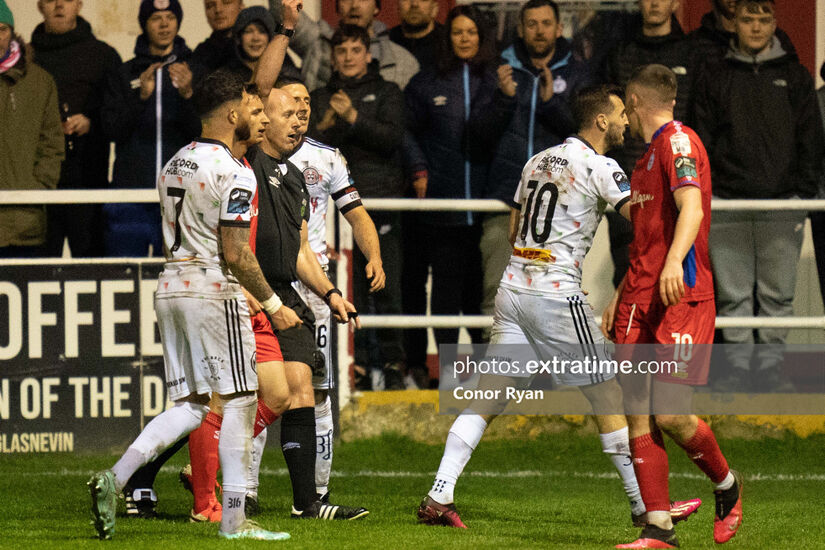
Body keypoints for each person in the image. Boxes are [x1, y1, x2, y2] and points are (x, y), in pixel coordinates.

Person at [418, 85, 699, 531]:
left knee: (489, 395)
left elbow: (514, 228)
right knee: (610, 394)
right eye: (621, 114)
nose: (627, 120)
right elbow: (641, 220)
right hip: (554, 294)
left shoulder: (535, 160)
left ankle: (439, 495)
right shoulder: (601, 166)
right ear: (601, 121)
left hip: (513, 289)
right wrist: (678, 208)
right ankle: (645, 507)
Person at [87, 69, 294, 542]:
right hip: (211, 288)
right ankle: (235, 522)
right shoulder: (235, 170)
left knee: (193, 404)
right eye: (253, 108)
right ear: (231, 113)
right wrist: (272, 303)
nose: (258, 117)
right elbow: (238, 251)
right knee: (241, 401)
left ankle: (115, 479)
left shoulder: (175, 161)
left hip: (170, 286)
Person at [601, 64, 742, 549]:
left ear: (634, 100)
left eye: (623, 103)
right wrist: (621, 292)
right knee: (638, 412)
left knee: (672, 415)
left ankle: (727, 485)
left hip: (679, 295)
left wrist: (674, 263)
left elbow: (693, 208)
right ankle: (658, 529)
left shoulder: (677, 142)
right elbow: (645, 241)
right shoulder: (644, 159)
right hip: (641, 297)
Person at [244, 75, 384, 506]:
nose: (301, 113)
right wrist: (285, 30)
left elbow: (315, 240)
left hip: (298, 291)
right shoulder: (242, 160)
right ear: (264, 112)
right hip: (247, 289)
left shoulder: (310, 169)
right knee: (246, 394)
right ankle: (236, 489)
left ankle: (313, 496)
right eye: (290, 107)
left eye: (305, 104)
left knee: (308, 389)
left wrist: (336, 289)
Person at [692, 0, 823, 391]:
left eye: (764, 20)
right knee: (732, 298)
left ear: (774, 24)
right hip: (728, 204)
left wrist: (800, 193)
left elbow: (811, 139)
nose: (755, 27)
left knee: (777, 296)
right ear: (735, 23)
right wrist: (711, 193)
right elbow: (702, 138)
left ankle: (769, 372)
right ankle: (735, 372)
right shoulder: (714, 75)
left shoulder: (796, 77)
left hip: (782, 204)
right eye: (748, 19)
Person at [482, 0, 592, 338]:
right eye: (531, 23)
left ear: (560, 28)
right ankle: (499, 380)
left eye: (546, 23)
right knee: (497, 294)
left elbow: (587, 135)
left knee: (553, 298)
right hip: (506, 202)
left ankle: (548, 382)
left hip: (560, 210)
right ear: (520, 28)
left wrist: (550, 105)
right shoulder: (498, 70)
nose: (539, 30)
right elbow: (477, 135)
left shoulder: (578, 73)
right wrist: (502, 99)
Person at [309, 24, 406, 389]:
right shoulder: (320, 96)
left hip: (379, 200)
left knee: (387, 283)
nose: (348, 57)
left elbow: (393, 139)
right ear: (333, 57)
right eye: (341, 51)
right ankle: (359, 365)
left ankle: (394, 364)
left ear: (368, 54)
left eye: (355, 50)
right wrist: (330, 120)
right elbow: (309, 145)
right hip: (331, 208)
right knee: (349, 287)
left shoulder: (388, 91)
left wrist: (353, 118)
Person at [403, 5, 501, 367]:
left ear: (482, 37)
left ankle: (480, 377)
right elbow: (406, 132)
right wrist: (418, 169)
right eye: (457, 32)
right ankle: (448, 375)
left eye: (471, 32)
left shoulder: (496, 80)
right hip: (442, 206)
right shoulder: (425, 82)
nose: (464, 38)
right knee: (444, 290)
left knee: (481, 293)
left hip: (489, 206)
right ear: (448, 37)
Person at [604, 0, 697, 288]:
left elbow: (693, 209)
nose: (655, 2)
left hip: (678, 184)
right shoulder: (620, 52)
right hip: (630, 185)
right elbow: (608, 118)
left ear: (676, 3)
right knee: (629, 279)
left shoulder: (693, 53)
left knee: (674, 289)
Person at [100, 0, 200, 256]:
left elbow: (204, 134)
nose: (164, 24)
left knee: (178, 280)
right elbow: (111, 130)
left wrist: (188, 94)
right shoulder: (124, 73)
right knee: (123, 278)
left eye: (170, 17)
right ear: (145, 24)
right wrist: (140, 98)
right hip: (129, 198)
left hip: (182, 198)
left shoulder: (194, 70)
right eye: (156, 18)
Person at [31, 0, 121, 257]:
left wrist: (91, 122)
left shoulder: (103, 56)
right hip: (39, 184)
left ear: (79, 5)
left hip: (89, 180)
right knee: (38, 274)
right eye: (50, 0)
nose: (59, 5)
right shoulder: (27, 57)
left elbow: (117, 117)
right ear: (40, 6)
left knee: (93, 270)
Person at [0, 0, 64, 258]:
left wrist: (35, 188)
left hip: (24, 220)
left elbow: (52, 145)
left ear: (12, 32)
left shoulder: (39, 82)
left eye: (2, 29)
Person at [278, 0, 419, 91]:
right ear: (338, 7)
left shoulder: (402, 59)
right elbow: (282, 9)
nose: (354, 5)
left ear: (376, 7)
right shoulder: (318, 41)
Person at [190, 0, 244, 79]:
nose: (218, 10)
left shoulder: (255, 45)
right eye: (210, 5)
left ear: (241, 6)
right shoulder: (200, 54)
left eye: (226, 2)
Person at [388, 0, 444, 68]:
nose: (414, 4)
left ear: (435, 8)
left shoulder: (451, 44)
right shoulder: (384, 43)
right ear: (397, 7)